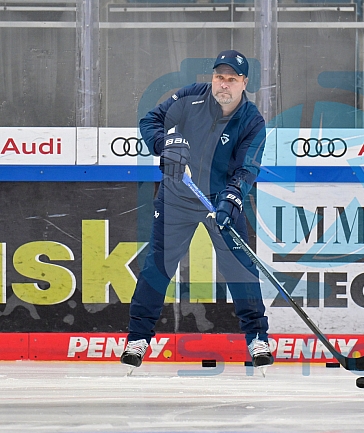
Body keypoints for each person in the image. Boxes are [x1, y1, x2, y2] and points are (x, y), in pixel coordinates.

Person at [121, 50, 273, 370]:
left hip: (219, 200)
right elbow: (151, 121)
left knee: (240, 268)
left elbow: (247, 168)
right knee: (158, 266)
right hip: (177, 196)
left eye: (232, 79)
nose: (224, 84)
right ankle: (137, 338)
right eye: (220, 76)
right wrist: (167, 145)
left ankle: (257, 337)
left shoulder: (251, 120)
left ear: (244, 83)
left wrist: (232, 197)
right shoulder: (190, 96)